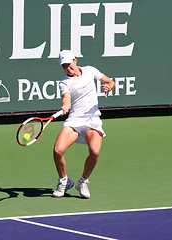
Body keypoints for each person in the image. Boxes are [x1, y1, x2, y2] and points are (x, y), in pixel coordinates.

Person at [52, 50, 115, 199]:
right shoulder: (64, 82)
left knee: (94, 152)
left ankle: (83, 182)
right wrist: (65, 106)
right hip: (75, 119)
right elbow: (66, 98)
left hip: (92, 119)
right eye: (64, 66)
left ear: (75, 60)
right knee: (57, 151)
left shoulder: (90, 71)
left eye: (69, 64)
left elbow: (109, 81)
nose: (68, 68)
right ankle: (64, 181)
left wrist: (109, 86)